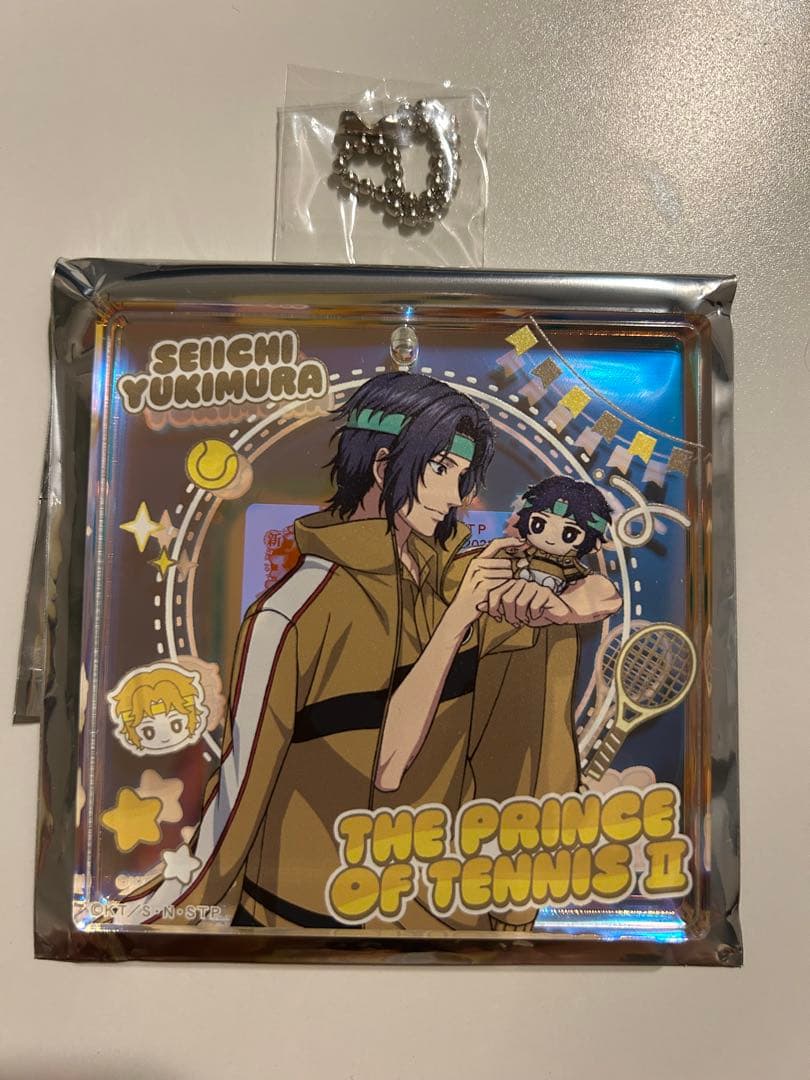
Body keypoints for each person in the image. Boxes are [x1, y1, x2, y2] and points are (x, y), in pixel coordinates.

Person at [125, 372, 530, 930]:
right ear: (384, 467)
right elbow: (247, 783)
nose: (455, 496)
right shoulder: (293, 612)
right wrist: (166, 915)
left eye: (462, 476)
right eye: (440, 469)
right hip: (308, 916)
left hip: (437, 909)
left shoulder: (448, 579)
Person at [467, 476, 622, 930]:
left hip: (538, 717)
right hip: (478, 704)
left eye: (568, 532)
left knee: (534, 797)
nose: (552, 536)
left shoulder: (577, 580)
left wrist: (557, 608)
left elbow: (603, 594)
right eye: (542, 523)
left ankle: (515, 921)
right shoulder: (500, 559)